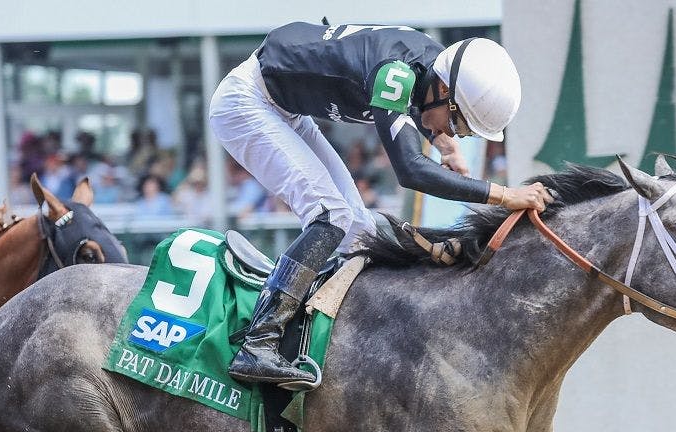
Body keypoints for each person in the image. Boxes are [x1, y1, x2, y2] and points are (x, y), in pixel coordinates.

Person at [209, 22, 552, 387]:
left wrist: (440, 139)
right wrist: (503, 194)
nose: (454, 134)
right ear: (445, 90)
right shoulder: (397, 75)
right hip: (247, 103)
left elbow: (418, 107)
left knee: (357, 228)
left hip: (287, 107)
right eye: (457, 125)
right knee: (331, 215)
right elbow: (411, 171)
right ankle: (259, 341)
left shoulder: (435, 67)